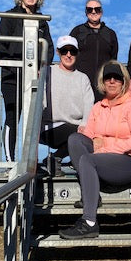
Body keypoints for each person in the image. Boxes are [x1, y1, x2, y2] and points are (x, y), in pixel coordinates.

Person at [59, 61, 131, 240]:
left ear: (123, 82)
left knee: (88, 160)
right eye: (108, 78)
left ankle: (89, 222)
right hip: (104, 159)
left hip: (130, 161)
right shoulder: (98, 107)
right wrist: (90, 138)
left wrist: (107, 146)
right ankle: (92, 195)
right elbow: (89, 134)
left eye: (116, 78)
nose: (112, 81)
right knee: (75, 140)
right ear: (102, 82)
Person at [0, 0, 54, 162]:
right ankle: (11, 162)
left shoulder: (42, 21)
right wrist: (13, 67)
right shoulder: (9, 17)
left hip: (33, 79)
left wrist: (41, 68)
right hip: (12, 77)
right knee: (12, 118)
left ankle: (31, 161)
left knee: (33, 121)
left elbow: (48, 48)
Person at [39, 36, 94, 176]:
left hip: (75, 127)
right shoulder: (48, 72)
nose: (68, 55)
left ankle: (55, 160)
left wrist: (85, 123)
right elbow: (39, 99)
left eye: (72, 51)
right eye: (64, 51)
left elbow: (89, 103)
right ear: (58, 52)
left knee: (92, 133)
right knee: (77, 135)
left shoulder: (83, 78)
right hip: (50, 126)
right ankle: (58, 160)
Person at [69, 0, 118, 101]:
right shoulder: (77, 31)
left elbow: (113, 60)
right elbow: (68, 56)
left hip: (103, 87)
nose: (93, 12)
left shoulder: (110, 34)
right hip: (80, 85)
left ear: (102, 12)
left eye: (97, 9)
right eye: (90, 9)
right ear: (86, 12)